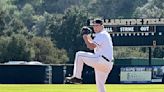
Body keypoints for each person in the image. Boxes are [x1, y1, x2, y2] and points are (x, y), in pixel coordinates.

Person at [66, 18, 114, 92]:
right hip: (107, 64)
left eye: (97, 25)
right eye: (94, 26)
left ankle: (77, 77)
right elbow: (93, 43)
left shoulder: (102, 35)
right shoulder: (104, 35)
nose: (95, 27)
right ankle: (77, 77)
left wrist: (85, 37)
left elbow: (90, 46)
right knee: (100, 85)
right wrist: (88, 36)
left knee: (79, 55)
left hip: (101, 60)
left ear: (102, 26)